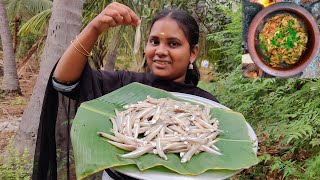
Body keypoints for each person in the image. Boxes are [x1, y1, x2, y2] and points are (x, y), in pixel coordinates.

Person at [32, 2, 218, 180]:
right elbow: (64, 80)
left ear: (193, 53)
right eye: (154, 41)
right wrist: (94, 28)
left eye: (173, 44)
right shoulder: (124, 85)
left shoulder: (205, 106)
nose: (160, 51)